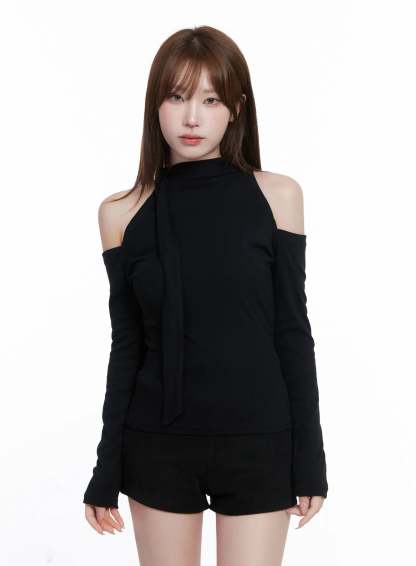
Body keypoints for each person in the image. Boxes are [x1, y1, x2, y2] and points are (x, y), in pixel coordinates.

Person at [83, 25, 328, 566]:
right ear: (155, 105)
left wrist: (309, 460)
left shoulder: (277, 196)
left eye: (211, 100)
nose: (192, 118)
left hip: (259, 441)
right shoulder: (121, 212)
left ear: (236, 108)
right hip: (158, 446)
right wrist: (106, 469)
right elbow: (127, 347)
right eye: (176, 97)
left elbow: (293, 333)